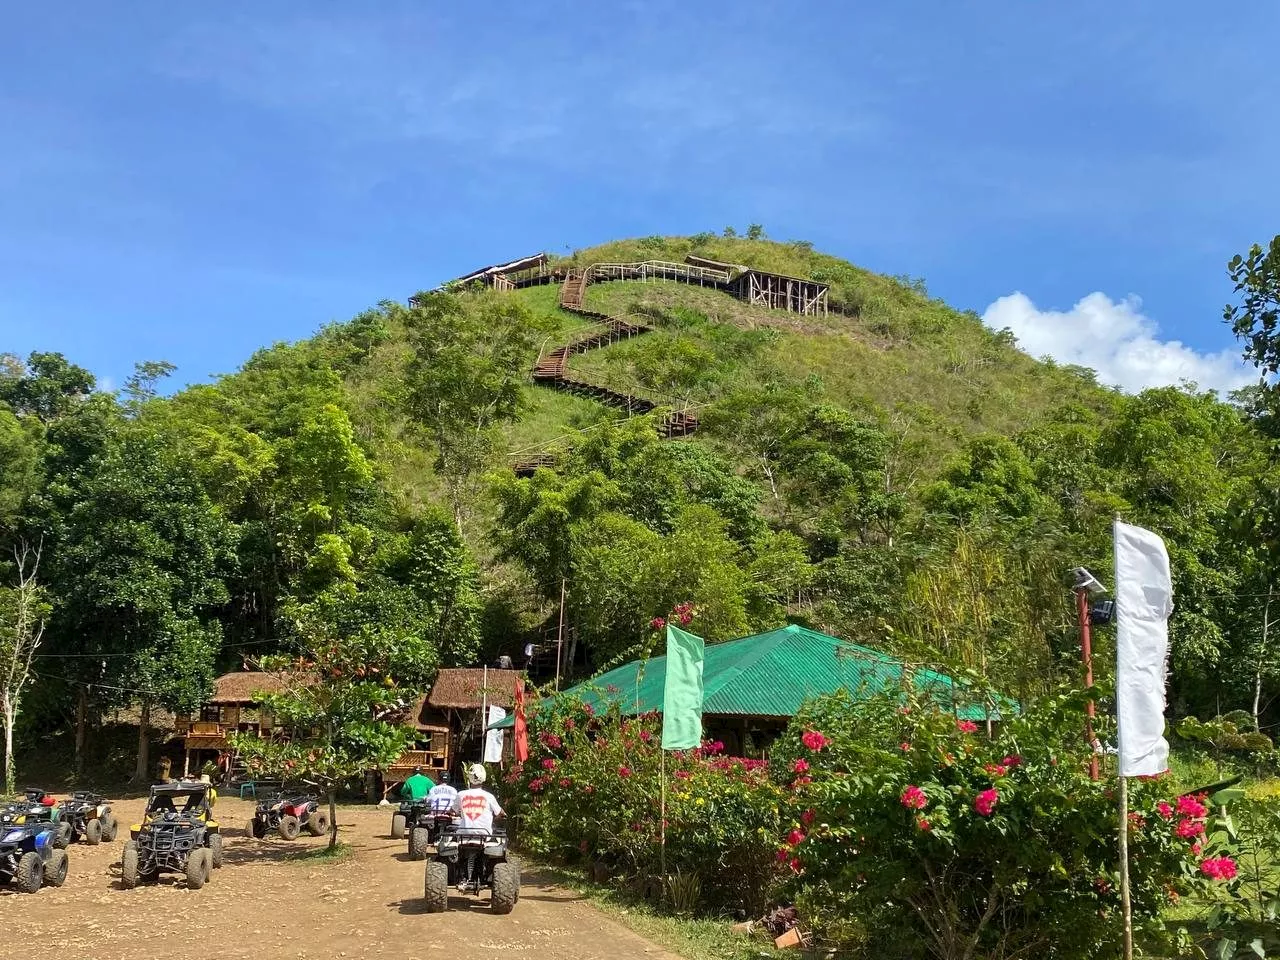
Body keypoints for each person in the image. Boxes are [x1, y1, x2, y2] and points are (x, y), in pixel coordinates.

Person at [452, 764, 504, 835]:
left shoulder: (461, 794)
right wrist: (492, 821)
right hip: (485, 834)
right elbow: (501, 814)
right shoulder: (489, 796)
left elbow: (453, 811)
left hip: (463, 833)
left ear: (469, 777)